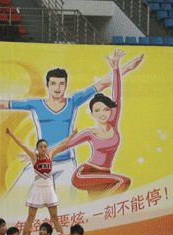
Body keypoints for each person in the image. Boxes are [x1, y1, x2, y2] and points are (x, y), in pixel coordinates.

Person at [0, 53, 144, 205]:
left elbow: (103, 84)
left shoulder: (73, 101)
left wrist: (126, 67)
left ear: (66, 85)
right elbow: (3, 104)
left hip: (66, 164)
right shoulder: (36, 104)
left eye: (61, 84)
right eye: (53, 83)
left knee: (66, 208)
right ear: (48, 85)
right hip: (41, 162)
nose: (57, 87)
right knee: (12, 202)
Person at [57, 49, 135, 200]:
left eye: (106, 109)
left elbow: (117, 95)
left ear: (111, 110)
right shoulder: (90, 133)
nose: (102, 113)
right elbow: (65, 145)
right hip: (85, 174)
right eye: (97, 110)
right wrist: (39, 155)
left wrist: (115, 69)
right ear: (92, 114)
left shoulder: (113, 124)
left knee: (94, 208)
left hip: (104, 175)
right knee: (123, 181)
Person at [5, 127, 78, 235]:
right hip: (37, 190)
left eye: (45, 147)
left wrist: (73, 134)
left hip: (49, 190)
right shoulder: (34, 157)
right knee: (30, 217)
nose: (43, 148)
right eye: (41, 147)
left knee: (55, 217)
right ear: (37, 149)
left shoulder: (51, 155)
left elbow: (63, 144)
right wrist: (11, 134)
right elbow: (22, 144)